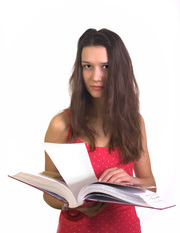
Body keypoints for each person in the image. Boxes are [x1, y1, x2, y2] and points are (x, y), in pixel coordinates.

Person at [43, 28, 156, 233]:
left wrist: (130, 181)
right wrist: (72, 202)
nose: (96, 76)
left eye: (105, 66)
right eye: (88, 66)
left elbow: (151, 185)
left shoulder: (134, 122)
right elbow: (48, 194)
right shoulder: (61, 125)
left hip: (125, 228)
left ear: (119, 69)